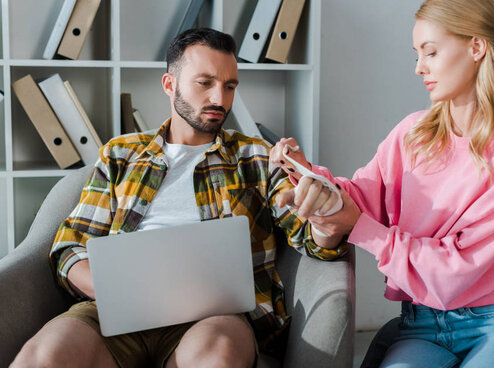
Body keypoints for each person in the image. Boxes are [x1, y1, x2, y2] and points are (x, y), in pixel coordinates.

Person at [11, 28, 347, 368]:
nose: (220, 98)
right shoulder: (120, 154)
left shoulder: (257, 158)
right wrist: (118, 291)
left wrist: (323, 212)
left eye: (230, 86)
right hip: (115, 314)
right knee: (41, 357)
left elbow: (315, 241)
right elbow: (70, 247)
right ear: (170, 85)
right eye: (205, 83)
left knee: (218, 357)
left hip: (214, 317)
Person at [271, 0, 494, 367]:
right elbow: (360, 198)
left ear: (477, 47)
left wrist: (361, 226)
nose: (419, 67)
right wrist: (314, 179)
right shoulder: (411, 134)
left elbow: (455, 275)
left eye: (431, 52)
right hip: (420, 325)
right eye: (417, 55)